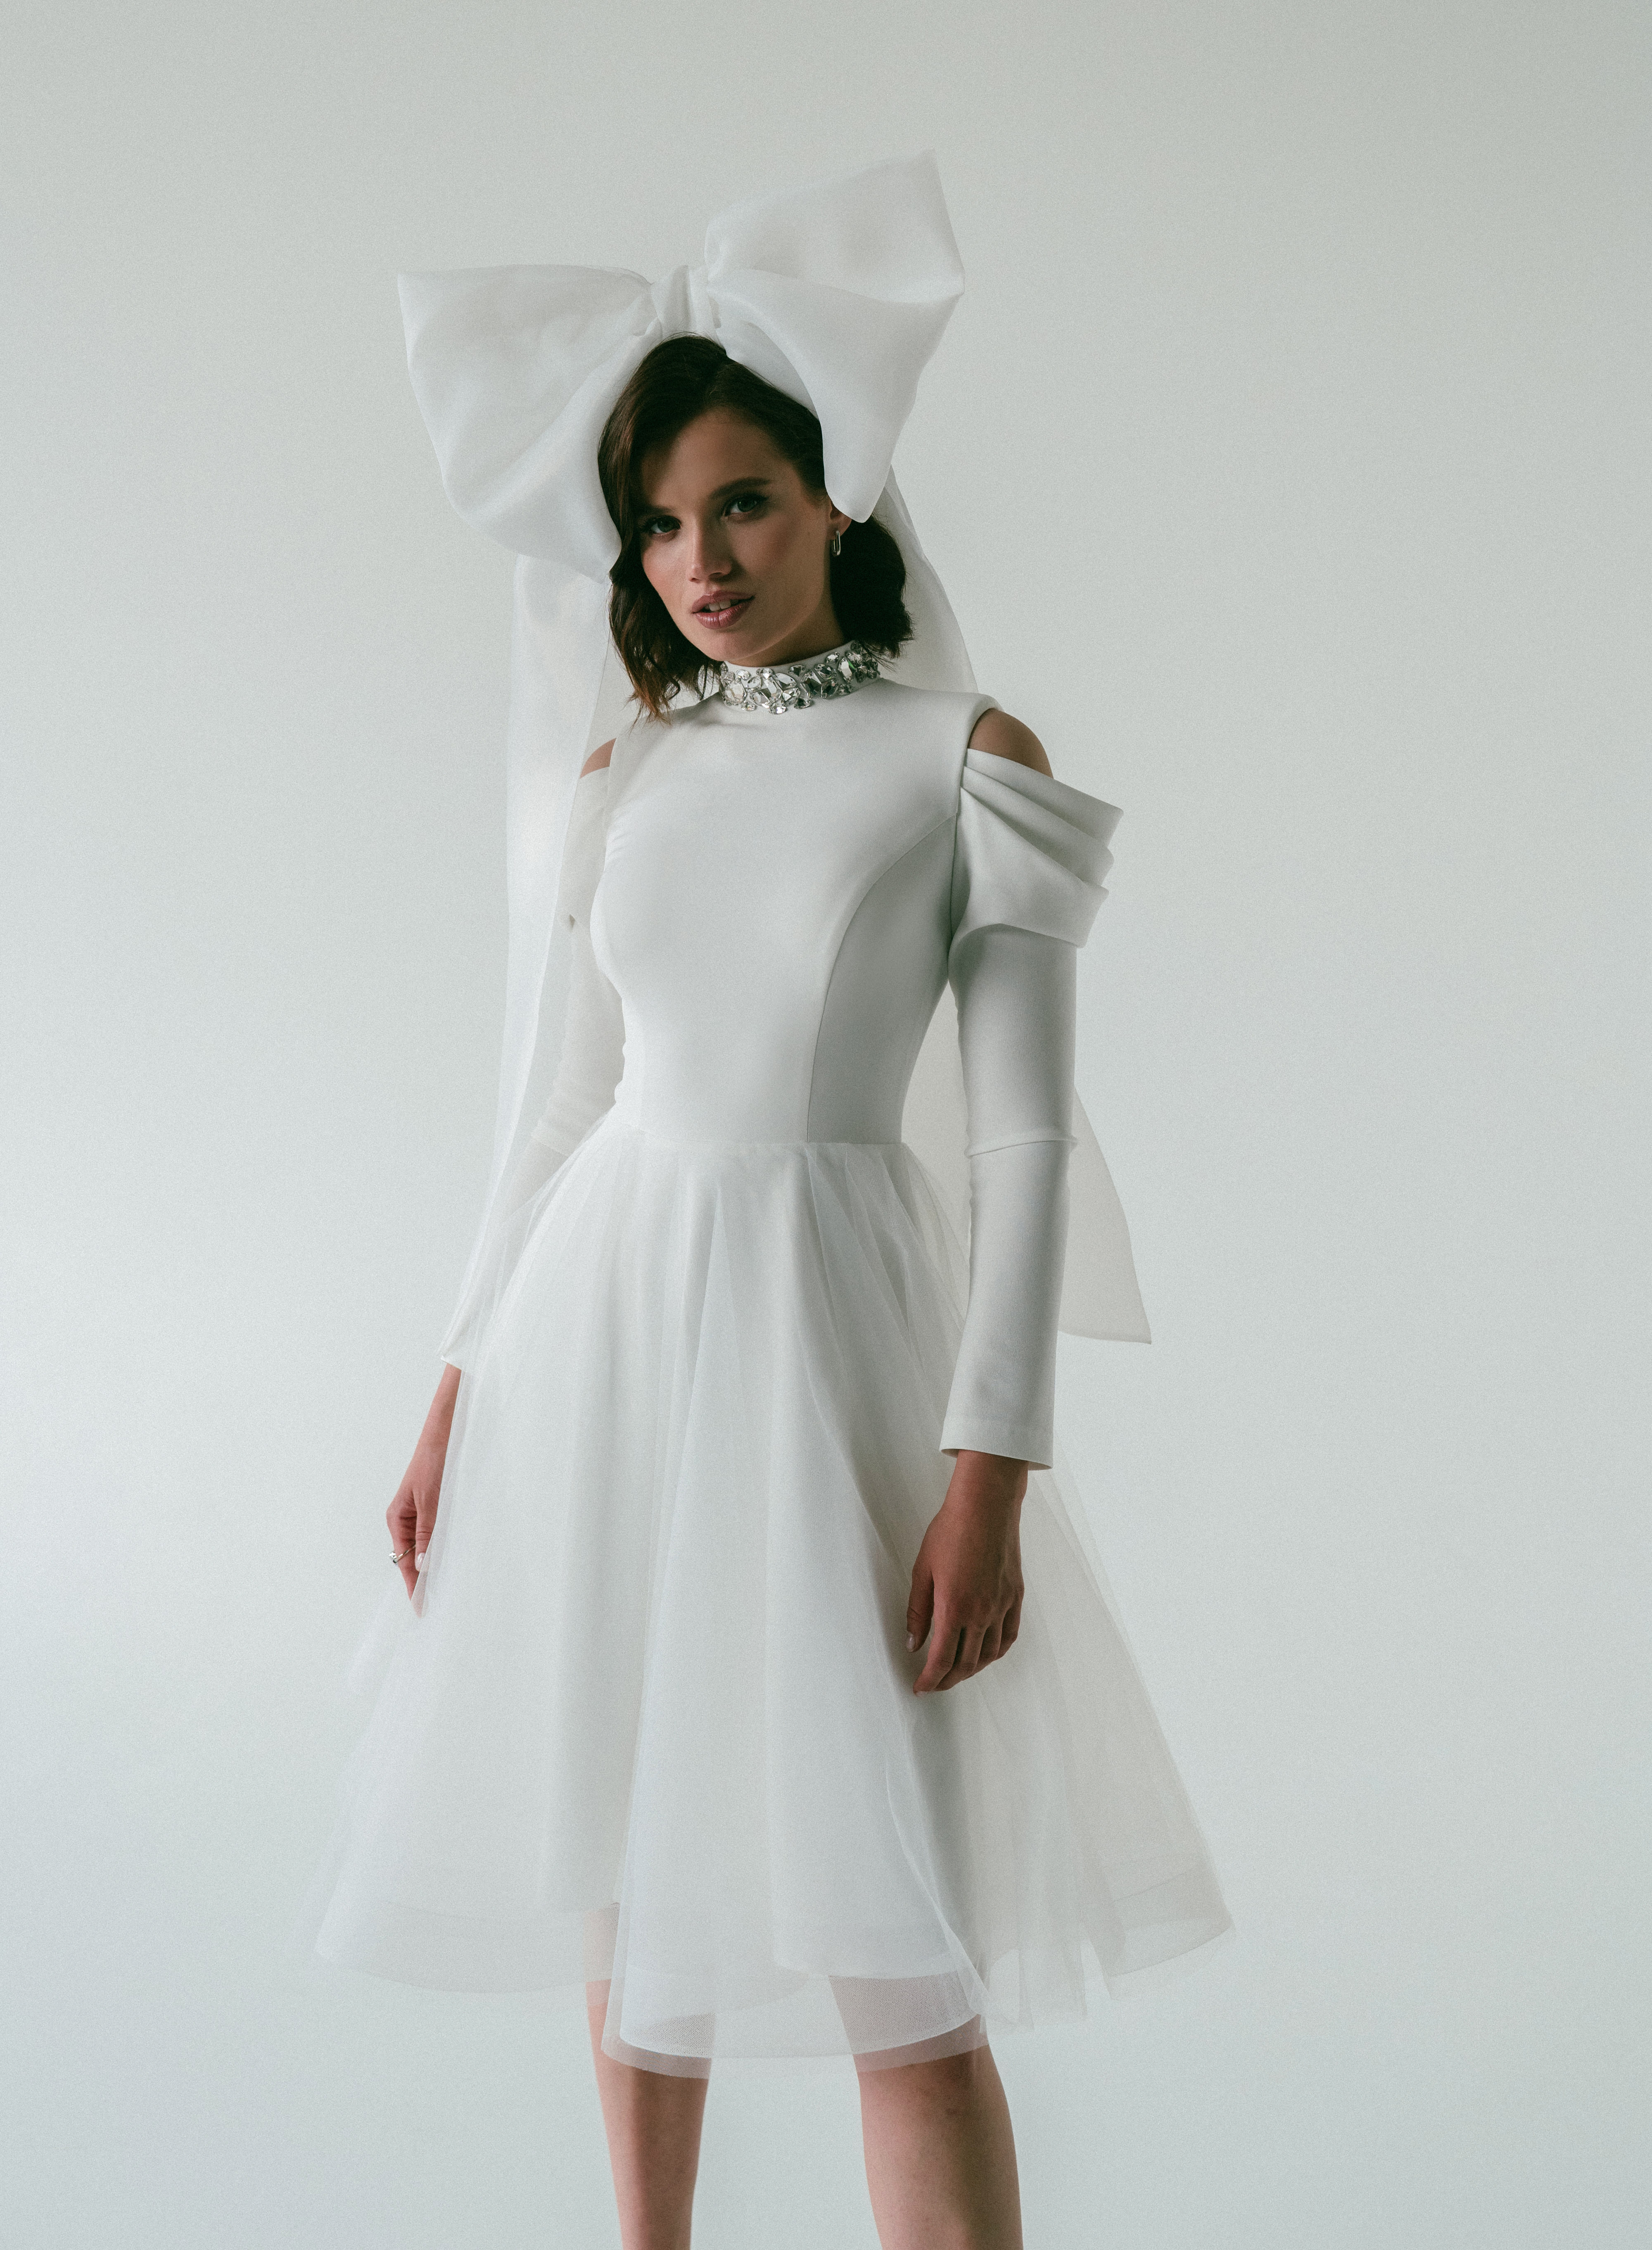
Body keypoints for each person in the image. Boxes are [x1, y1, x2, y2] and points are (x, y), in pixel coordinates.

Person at [301, 160, 1229, 2250]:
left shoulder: (959, 755)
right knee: (633, 1883)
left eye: (741, 504)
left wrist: (991, 1469)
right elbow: (558, 1111)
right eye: (656, 524)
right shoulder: (626, 767)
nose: (699, 559)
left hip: (831, 1360)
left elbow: (1020, 1144)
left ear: (834, 503)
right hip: (601, 1351)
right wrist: (456, 1387)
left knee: (902, 1956)